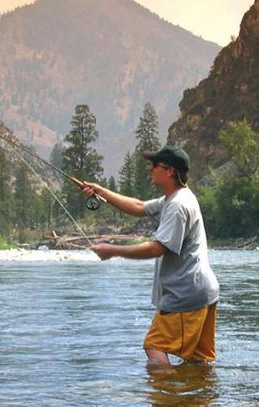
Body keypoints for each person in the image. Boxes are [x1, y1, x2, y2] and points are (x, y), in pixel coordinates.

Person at [77, 144, 219, 367]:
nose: (150, 170)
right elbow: (138, 206)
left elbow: (157, 248)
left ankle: (165, 400)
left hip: (185, 294)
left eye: (155, 166)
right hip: (201, 291)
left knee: (155, 346)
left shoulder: (177, 205)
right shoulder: (174, 198)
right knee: (197, 360)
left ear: (170, 171)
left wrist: (113, 251)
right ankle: (199, 399)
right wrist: (101, 191)